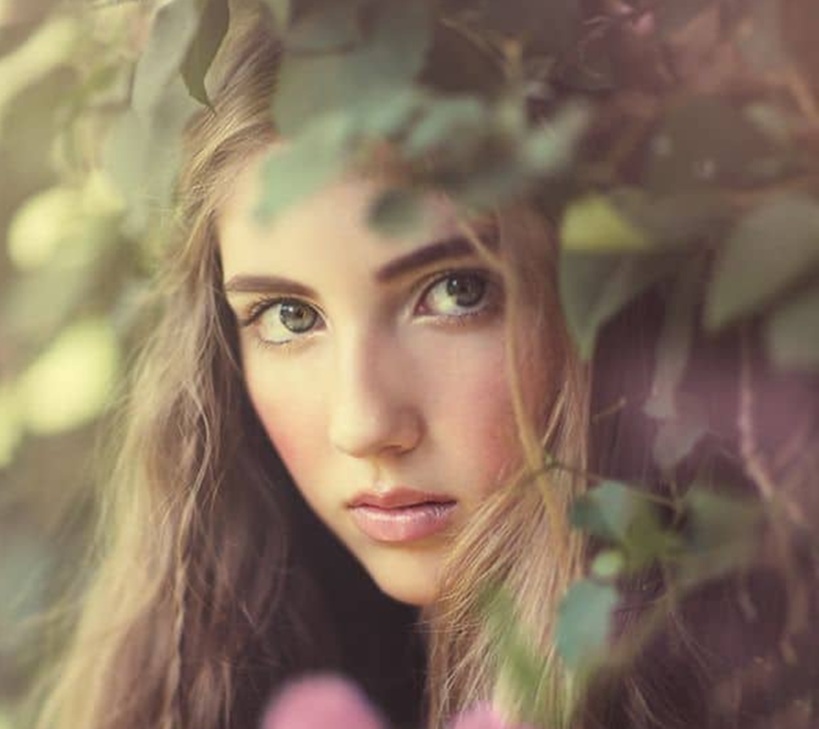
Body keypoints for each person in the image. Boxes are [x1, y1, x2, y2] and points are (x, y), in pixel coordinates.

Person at [33, 5, 819, 729]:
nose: (364, 423)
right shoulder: (210, 687)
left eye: (455, 290)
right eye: (288, 316)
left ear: (609, 298)